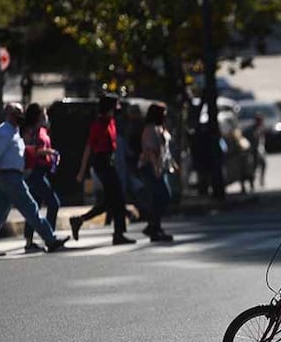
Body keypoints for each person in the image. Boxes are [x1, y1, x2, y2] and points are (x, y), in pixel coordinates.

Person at [0, 103, 69, 258]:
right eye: (18, 113)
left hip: (12, 176)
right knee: (31, 208)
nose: (21, 116)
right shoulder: (4, 132)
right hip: (10, 177)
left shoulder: (15, 131)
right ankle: (50, 239)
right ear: (9, 114)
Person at [69, 94, 136, 245]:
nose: (117, 109)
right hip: (102, 163)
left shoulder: (111, 122)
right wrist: (82, 171)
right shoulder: (98, 125)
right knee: (117, 198)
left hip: (109, 162)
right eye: (115, 106)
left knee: (109, 201)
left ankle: (79, 220)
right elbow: (88, 148)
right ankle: (118, 234)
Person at [21, 103, 62, 253]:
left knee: (35, 206)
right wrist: (51, 152)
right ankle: (49, 236)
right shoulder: (30, 132)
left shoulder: (42, 130)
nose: (46, 117)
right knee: (53, 203)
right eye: (44, 114)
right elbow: (34, 151)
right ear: (38, 116)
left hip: (42, 171)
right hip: (34, 172)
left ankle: (30, 240)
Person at [137, 102, 175, 242]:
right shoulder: (150, 129)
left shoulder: (160, 128)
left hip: (160, 167)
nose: (165, 116)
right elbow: (150, 151)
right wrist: (155, 167)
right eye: (163, 113)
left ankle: (155, 227)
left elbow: (165, 149)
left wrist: (171, 163)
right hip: (150, 167)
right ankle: (153, 226)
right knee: (162, 196)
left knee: (161, 197)